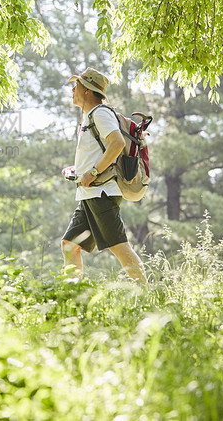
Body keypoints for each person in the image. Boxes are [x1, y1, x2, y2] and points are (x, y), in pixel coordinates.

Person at [60, 67, 148, 283]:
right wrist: (78, 169)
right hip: (89, 194)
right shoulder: (90, 116)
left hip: (101, 194)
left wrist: (93, 172)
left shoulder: (100, 113)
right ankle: (73, 292)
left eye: (77, 86)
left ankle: (147, 295)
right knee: (70, 245)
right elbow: (100, 151)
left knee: (119, 247)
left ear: (88, 90)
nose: (73, 89)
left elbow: (117, 143)